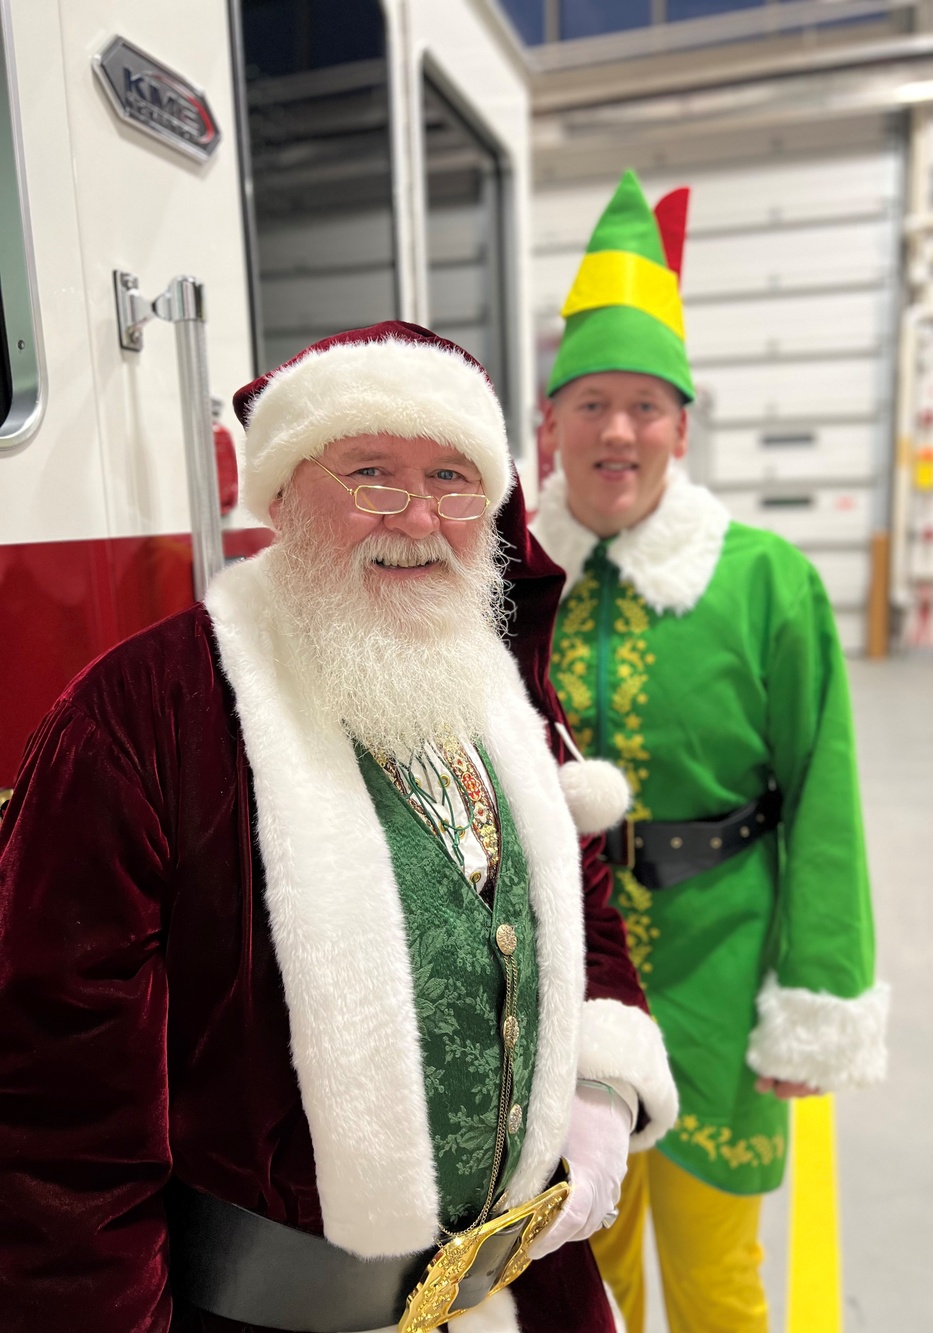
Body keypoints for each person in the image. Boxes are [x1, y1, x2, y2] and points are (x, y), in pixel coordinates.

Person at [0, 321, 679, 1333]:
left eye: (452, 479)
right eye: (370, 473)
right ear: (280, 496)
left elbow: (584, 906)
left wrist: (599, 1090)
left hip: (526, 1296)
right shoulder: (142, 716)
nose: (416, 516)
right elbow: (59, 1118)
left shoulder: (494, 685)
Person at [531, 172, 889, 1333]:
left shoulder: (764, 580)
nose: (617, 431)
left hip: (721, 974)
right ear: (550, 424)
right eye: (590, 403)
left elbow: (822, 793)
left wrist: (817, 995)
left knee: (715, 1275)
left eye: (645, 405)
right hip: (561, 983)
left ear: (682, 426)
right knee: (579, 1266)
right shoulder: (509, 578)